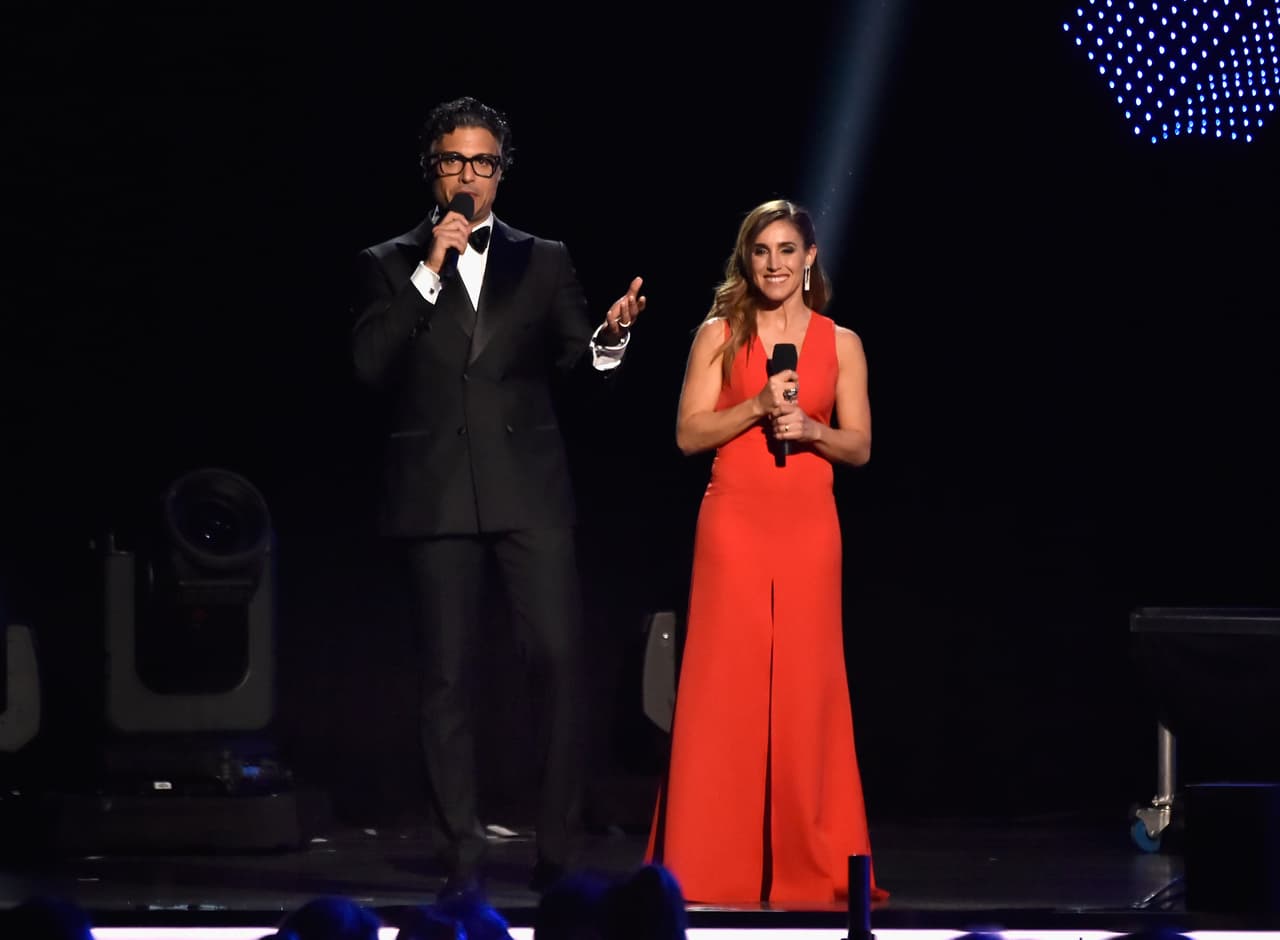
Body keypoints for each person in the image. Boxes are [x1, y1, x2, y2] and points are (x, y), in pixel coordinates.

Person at [351, 95, 645, 898]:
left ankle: (557, 849)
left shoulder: (543, 258)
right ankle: (462, 855)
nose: (468, 176)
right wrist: (430, 269)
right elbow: (369, 366)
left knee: (555, 662)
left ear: (502, 171)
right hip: (435, 493)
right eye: (454, 161)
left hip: (529, 491)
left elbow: (575, 363)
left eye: (483, 162)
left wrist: (610, 338)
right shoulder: (390, 260)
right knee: (447, 680)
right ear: (431, 169)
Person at [646, 199, 886, 905]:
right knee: (724, 687)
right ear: (746, 261)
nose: (775, 263)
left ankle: (810, 860)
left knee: (809, 691)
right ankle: (708, 862)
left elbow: (860, 445)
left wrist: (811, 428)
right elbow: (689, 435)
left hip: (809, 526)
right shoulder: (719, 334)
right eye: (762, 251)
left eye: (788, 250)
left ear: (810, 258)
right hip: (735, 524)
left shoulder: (841, 342)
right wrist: (754, 407)